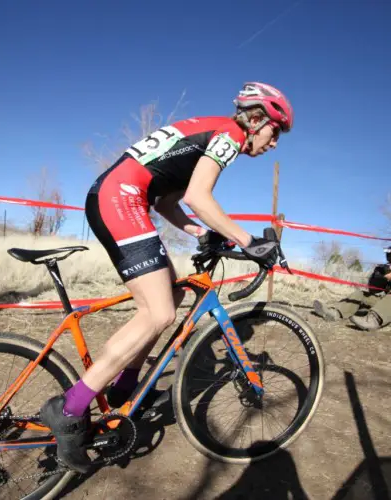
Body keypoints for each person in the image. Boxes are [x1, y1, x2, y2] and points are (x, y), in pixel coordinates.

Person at [40, 82, 294, 472]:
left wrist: (200, 233)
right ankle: (70, 409)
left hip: (119, 196)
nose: (274, 142)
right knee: (158, 314)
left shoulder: (208, 134)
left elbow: (168, 201)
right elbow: (199, 197)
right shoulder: (229, 133)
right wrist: (247, 240)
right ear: (257, 119)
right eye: (275, 132)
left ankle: (126, 390)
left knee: (169, 298)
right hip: (121, 198)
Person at [313, 244, 391, 331]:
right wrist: (378, 277)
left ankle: (371, 321)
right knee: (361, 294)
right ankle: (334, 312)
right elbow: (373, 291)